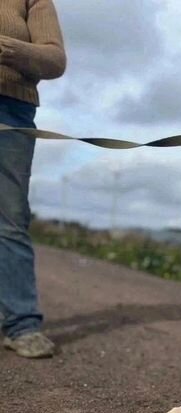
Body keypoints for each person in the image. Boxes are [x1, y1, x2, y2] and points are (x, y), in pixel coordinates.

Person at [0, 0, 66, 358]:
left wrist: (8, 48)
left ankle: (21, 324)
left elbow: (54, 60)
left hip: (11, 109)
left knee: (9, 220)